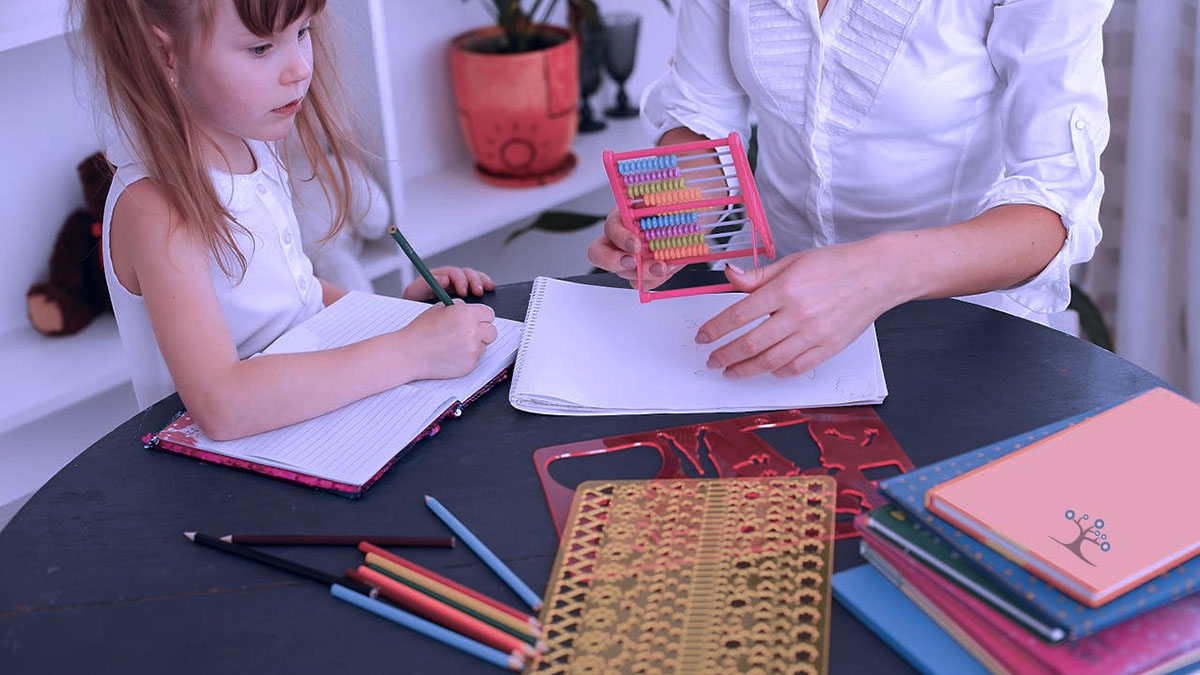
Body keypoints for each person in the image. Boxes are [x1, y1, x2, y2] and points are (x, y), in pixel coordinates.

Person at [588, 0, 1111, 379]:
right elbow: (703, 109)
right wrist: (670, 218)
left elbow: (1054, 206)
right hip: (781, 328)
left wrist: (879, 271)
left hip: (968, 337)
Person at [76, 0, 498, 440]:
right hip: (218, 482)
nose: (298, 68)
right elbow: (223, 406)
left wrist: (397, 319)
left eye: (303, 32)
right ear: (163, 54)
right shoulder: (157, 206)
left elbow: (297, 299)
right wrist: (408, 351)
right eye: (260, 48)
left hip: (299, 435)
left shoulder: (253, 144)